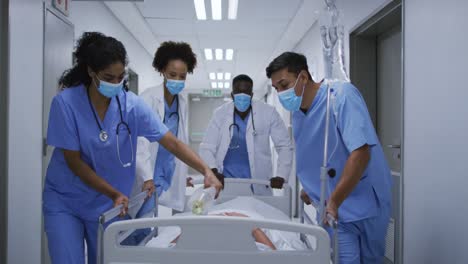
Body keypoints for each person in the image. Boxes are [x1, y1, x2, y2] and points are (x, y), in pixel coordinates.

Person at [42, 32, 222, 264]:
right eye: (109, 78)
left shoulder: (131, 105)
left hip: (108, 205)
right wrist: (114, 193)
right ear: (91, 71)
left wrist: (206, 170)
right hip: (67, 200)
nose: (116, 84)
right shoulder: (65, 103)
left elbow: (172, 142)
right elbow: (74, 162)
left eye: (120, 77)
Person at [266, 52, 392, 263]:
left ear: (303, 77)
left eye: (284, 84)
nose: (280, 93)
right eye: (276, 88)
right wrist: (313, 188)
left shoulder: (341, 96)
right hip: (333, 209)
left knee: (372, 259)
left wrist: (334, 199)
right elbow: (314, 154)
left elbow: (360, 154)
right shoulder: (298, 113)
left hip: (364, 200)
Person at [199, 74, 293, 195]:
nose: (242, 96)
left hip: (258, 182)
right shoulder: (220, 114)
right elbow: (207, 146)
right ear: (232, 95)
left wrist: (281, 175)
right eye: (238, 92)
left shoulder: (268, 112)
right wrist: (213, 170)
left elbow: (284, 146)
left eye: (246, 92)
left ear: (252, 95)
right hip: (225, 182)